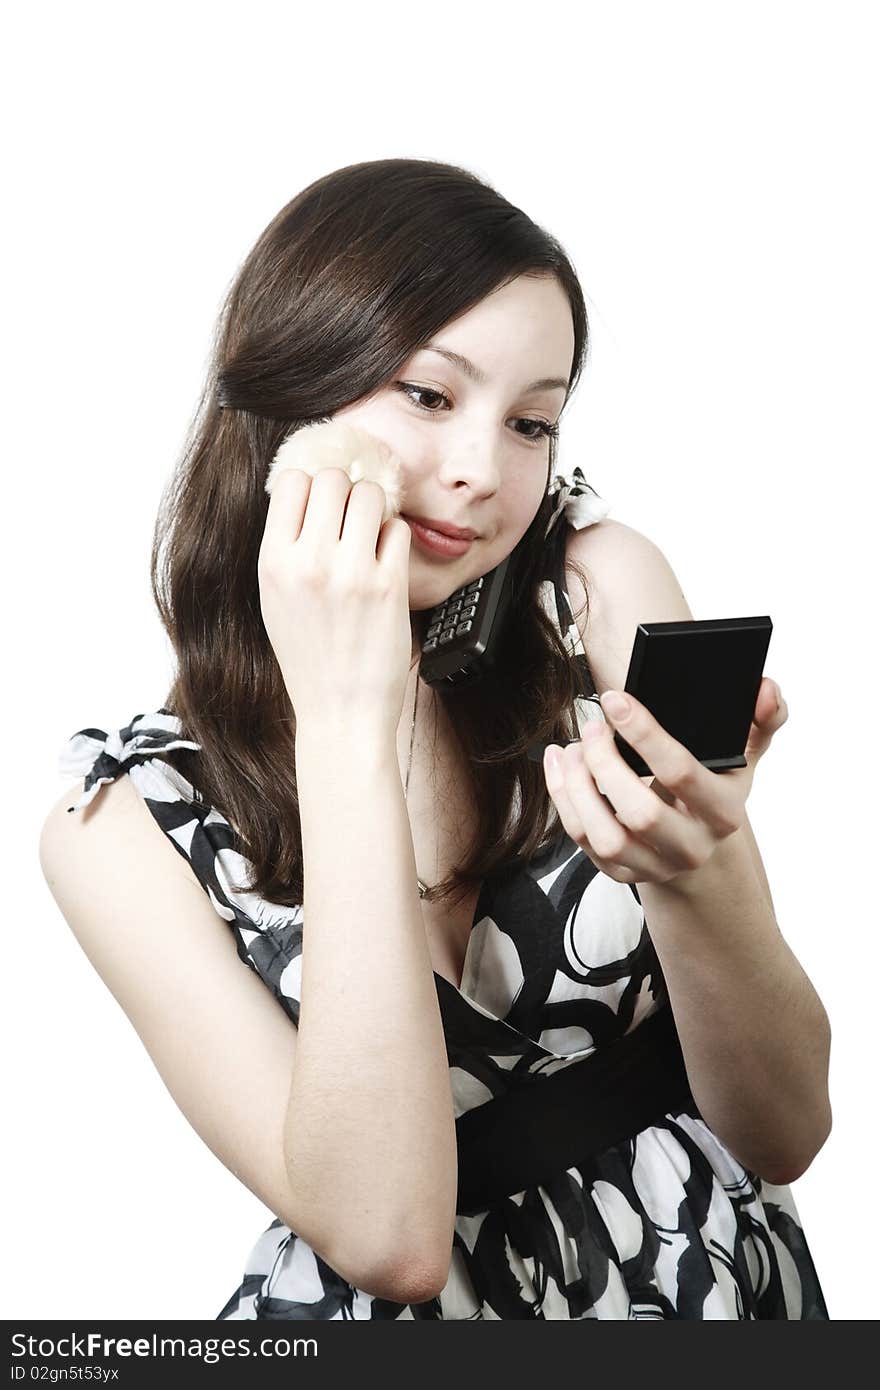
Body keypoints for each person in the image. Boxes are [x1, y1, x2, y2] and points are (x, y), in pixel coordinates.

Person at [39, 157, 832, 1320]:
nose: (477, 472)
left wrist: (702, 877)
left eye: (530, 422)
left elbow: (787, 1124)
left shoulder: (598, 598)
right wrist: (348, 718)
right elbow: (390, 1239)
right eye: (426, 395)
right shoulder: (120, 823)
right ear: (288, 399)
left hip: (696, 1280)